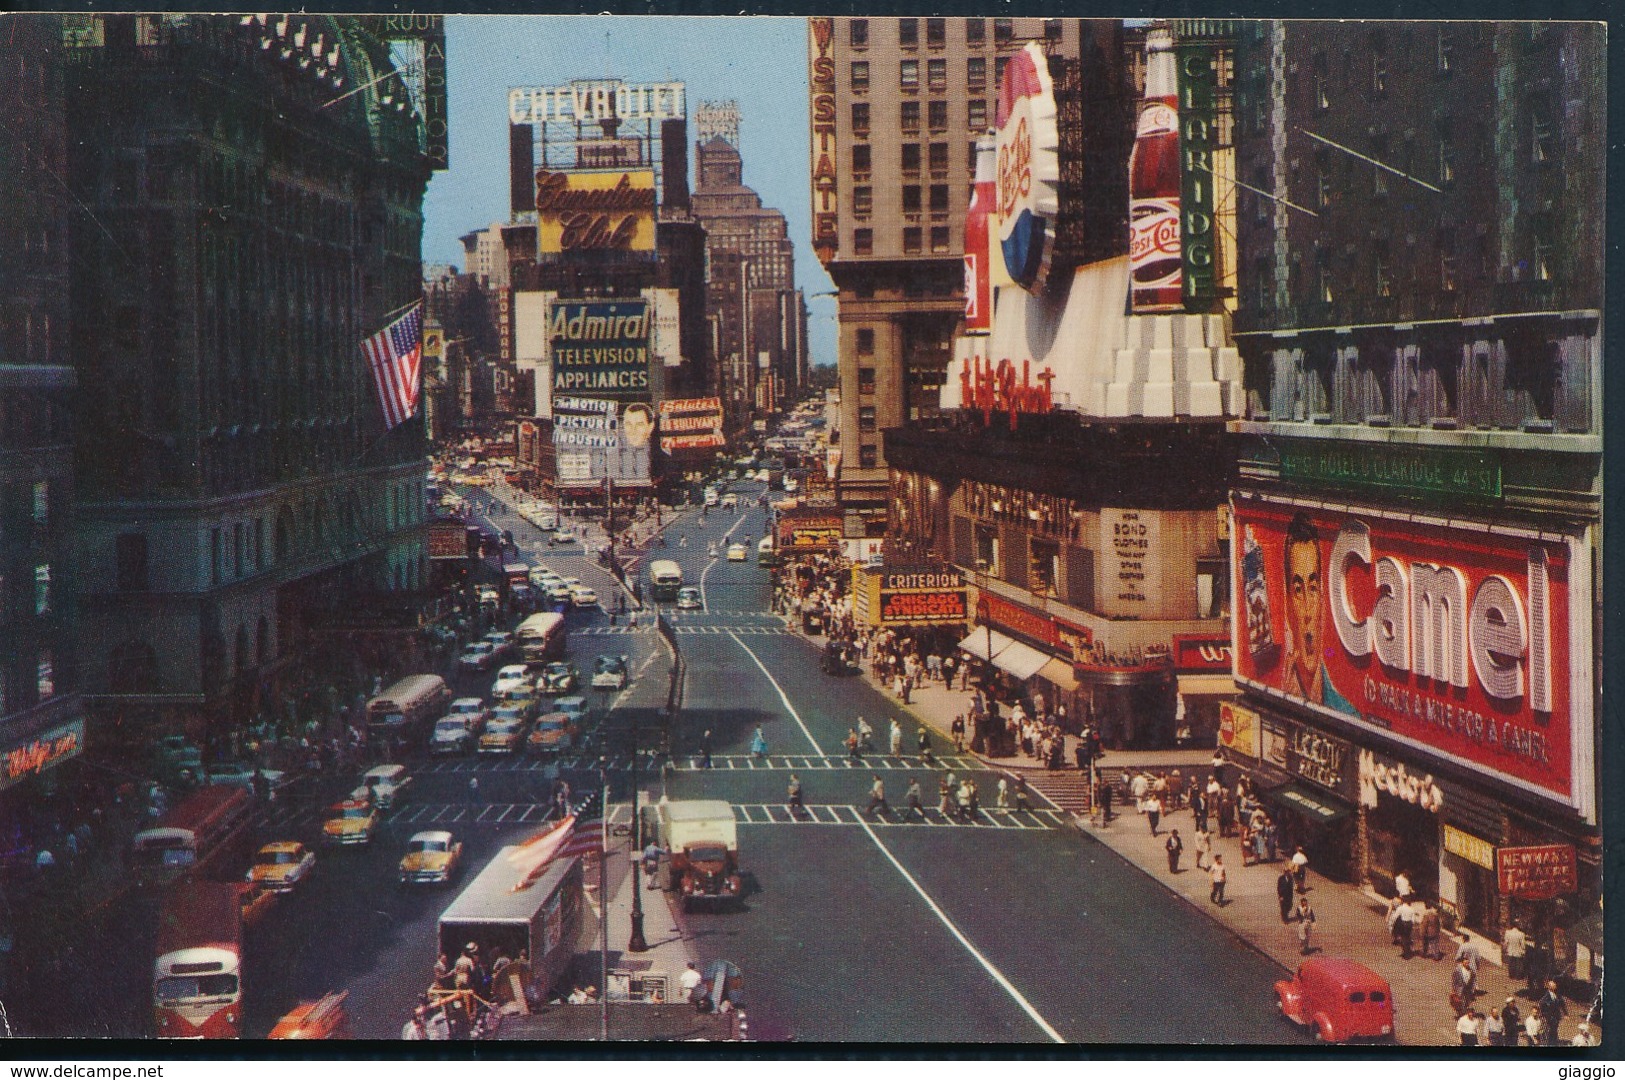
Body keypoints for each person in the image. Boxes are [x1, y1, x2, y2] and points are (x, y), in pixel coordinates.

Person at [1279, 512, 1357, 712]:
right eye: (1298, 590)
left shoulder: (1348, 714)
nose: (1307, 611)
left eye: (1313, 588)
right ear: (1288, 607)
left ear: (1323, 599)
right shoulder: (1280, 692)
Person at [1536, 980, 1566, 1046]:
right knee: (1550, 1031)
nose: (1555, 986)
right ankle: (1550, 1043)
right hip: (1550, 1018)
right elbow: (1541, 1004)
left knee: (1555, 1030)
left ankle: (1554, 1042)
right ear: (1549, 987)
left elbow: (1562, 1003)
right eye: (1553, 985)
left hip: (1557, 1017)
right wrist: (1546, 1015)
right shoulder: (1546, 997)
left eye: (1555, 985)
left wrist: (1565, 1013)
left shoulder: (1557, 994)